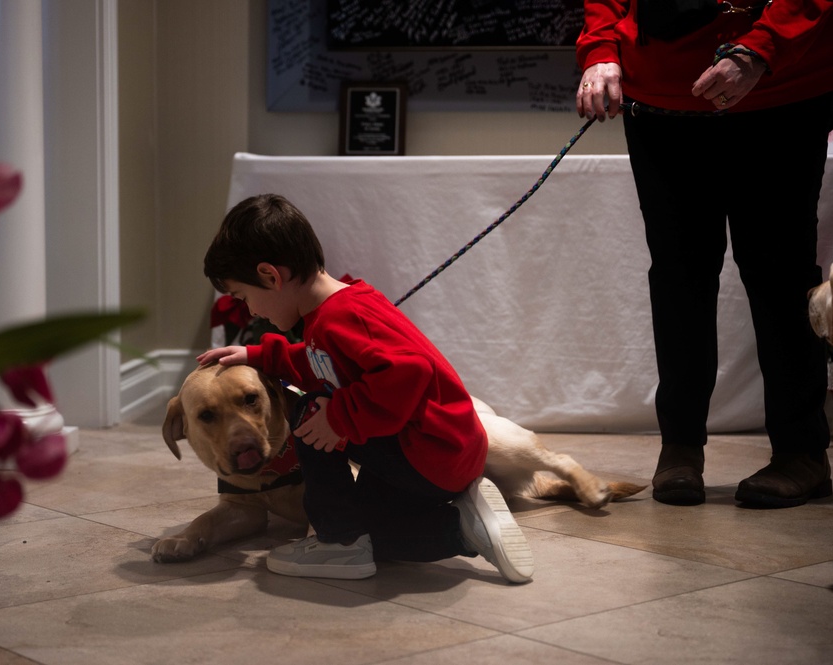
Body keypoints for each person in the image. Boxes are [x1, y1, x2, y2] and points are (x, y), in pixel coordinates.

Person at [197, 193, 533, 582]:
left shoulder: (341, 317)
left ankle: (337, 544)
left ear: (271, 276)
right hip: (437, 451)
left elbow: (409, 372)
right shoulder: (336, 311)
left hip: (429, 451)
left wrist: (338, 418)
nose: (251, 311)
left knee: (311, 412)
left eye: (244, 297)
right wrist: (261, 355)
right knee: (370, 530)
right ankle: (464, 527)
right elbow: (322, 364)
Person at [576, 1, 833, 507]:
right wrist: (600, 50)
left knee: (779, 274)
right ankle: (680, 447)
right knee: (678, 274)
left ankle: (802, 451)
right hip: (659, 102)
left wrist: (760, 49)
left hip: (778, 92)